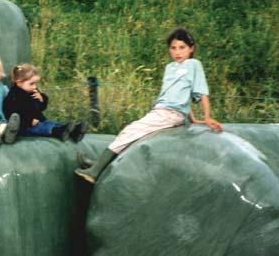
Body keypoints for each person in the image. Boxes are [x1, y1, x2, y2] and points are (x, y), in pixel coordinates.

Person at [75, 28, 223, 183]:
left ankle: (94, 172)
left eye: (182, 47)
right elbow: (179, 93)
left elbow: (201, 91)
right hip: (161, 110)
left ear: (191, 48)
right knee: (133, 133)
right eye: (173, 48)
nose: (177, 52)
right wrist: (192, 118)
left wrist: (207, 117)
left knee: (130, 131)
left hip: (170, 113)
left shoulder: (193, 64)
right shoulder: (170, 68)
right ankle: (101, 163)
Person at [3, 63, 86, 142]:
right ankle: (59, 132)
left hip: (40, 120)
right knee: (44, 128)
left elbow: (41, 108)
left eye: (35, 83)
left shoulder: (32, 91)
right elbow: (11, 114)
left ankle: (73, 131)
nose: (34, 86)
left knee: (52, 124)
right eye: (31, 83)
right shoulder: (13, 97)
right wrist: (28, 121)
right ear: (18, 81)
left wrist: (41, 99)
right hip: (25, 127)